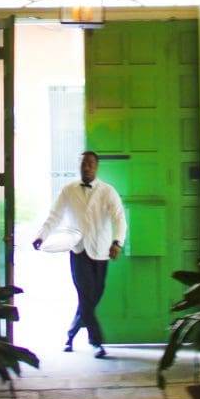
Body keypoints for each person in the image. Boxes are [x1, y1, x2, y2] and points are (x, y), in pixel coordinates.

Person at [32, 150, 126, 359]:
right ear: (79, 166)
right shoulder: (68, 190)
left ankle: (71, 334)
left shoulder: (108, 191)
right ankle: (97, 342)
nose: (87, 167)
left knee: (92, 297)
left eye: (91, 164)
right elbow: (54, 216)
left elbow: (119, 218)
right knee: (85, 294)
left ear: (97, 166)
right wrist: (42, 236)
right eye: (83, 163)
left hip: (101, 251)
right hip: (78, 250)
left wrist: (117, 242)